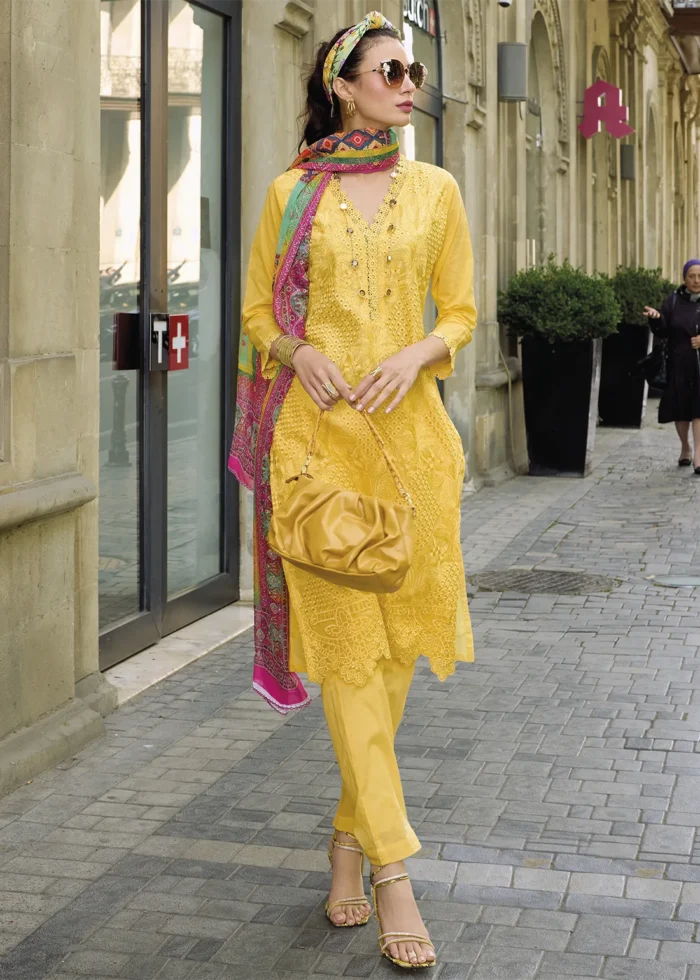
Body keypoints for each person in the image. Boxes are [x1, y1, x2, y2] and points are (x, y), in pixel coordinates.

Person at [229, 11, 476, 970]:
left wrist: (419, 352)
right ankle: (395, 871)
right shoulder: (291, 195)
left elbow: (458, 309)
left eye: (412, 69)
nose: (408, 82)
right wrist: (300, 351)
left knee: (397, 656)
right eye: (389, 69)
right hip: (318, 449)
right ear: (344, 84)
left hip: (413, 449)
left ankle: (346, 840)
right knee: (346, 657)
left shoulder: (439, 190)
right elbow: (256, 308)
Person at [644, 259, 700, 472]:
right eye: (691, 276)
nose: (696, 280)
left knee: (698, 410)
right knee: (682, 411)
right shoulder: (672, 302)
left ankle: (698, 457)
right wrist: (655, 318)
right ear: (684, 278)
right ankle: (685, 447)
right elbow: (662, 331)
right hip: (678, 363)